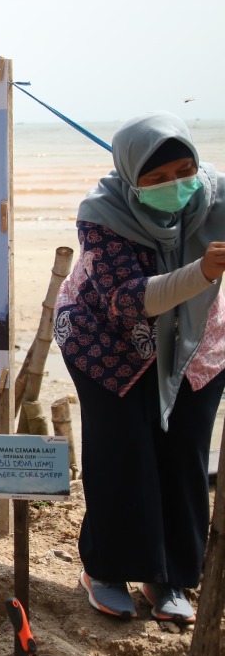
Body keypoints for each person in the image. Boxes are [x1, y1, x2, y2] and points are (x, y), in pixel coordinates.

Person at [54, 111, 225, 624]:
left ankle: (169, 577)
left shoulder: (216, 198)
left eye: (183, 171)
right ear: (130, 179)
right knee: (122, 452)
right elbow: (129, 301)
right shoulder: (103, 214)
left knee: (184, 454)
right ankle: (105, 570)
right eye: (155, 179)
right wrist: (202, 271)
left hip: (198, 343)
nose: (174, 186)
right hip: (107, 344)